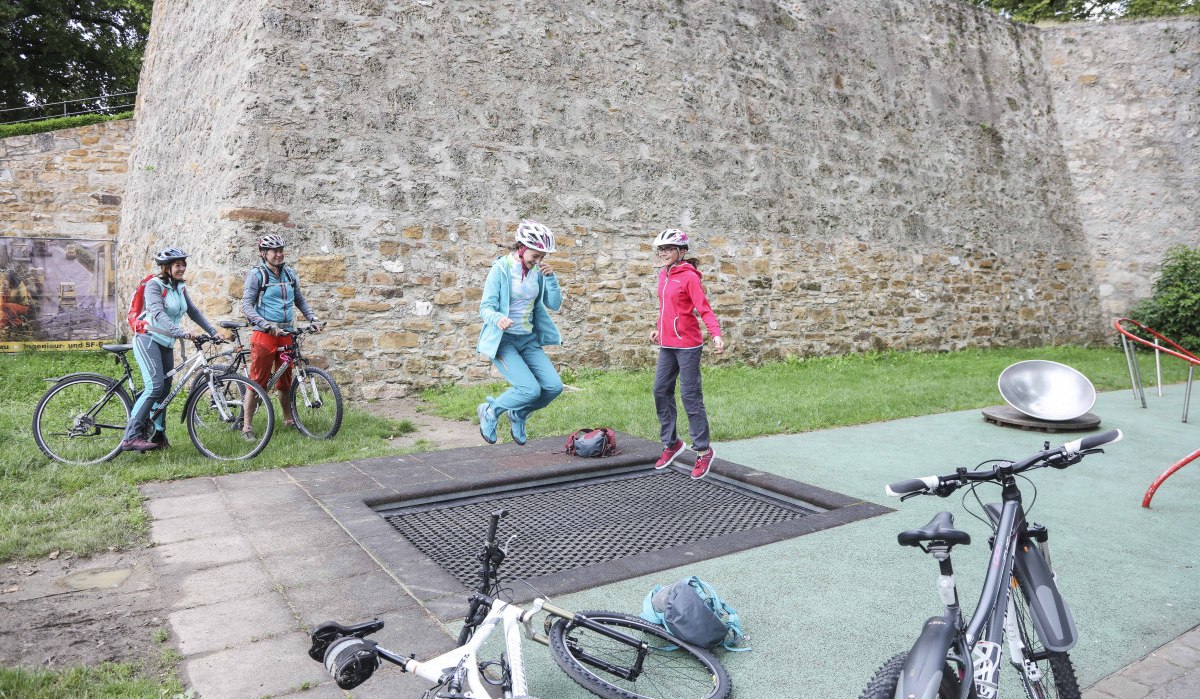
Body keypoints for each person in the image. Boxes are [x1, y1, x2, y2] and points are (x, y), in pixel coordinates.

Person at [121, 247, 221, 453]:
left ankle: (157, 435)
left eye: (183, 264)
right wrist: (180, 331)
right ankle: (130, 437)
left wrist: (212, 331)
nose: (182, 268)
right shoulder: (153, 285)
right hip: (147, 338)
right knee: (155, 387)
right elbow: (157, 313)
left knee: (165, 391)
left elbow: (192, 311)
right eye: (177, 265)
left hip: (166, 343)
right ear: (166, 267)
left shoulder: (180, 287)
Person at [475, 220, 564, 446]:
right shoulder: (501, 269)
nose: (538, 261)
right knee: (529, 389)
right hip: (504, 341)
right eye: (535, 256)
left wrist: (552, 280)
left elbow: (554, 304)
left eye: (542, 257)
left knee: (554, 387)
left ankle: (519, 414)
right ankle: (490, 411)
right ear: (522, 247)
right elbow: (485, 308)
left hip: (528, 339)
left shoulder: (539, 273)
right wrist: (498, 318)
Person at [650, 229, 725, 479]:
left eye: (668, 249)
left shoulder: (689, 277)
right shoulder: (663, 275)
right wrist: (658, 328)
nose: (663, 254)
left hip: (689, 346)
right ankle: (672, 444)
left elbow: (703, 309)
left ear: (681, 252)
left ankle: (703, 451)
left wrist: (715, 334)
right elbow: (667, 308)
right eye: (660, 250)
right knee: (660, 390)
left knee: (690, 396)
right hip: (668, 344)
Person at [240, 234, 322, 439]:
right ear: (263, 253)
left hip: (287, 334)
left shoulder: (290, 274)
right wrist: (265, 325)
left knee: (285, 380)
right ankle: (247, 427)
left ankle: (288, 420)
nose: (279, 254)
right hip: (265, 334)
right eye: (274, 251)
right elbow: (247, 306)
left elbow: (300, 301)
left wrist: (313, 318)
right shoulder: (257, 275)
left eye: (281, 250)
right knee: (258, 380)